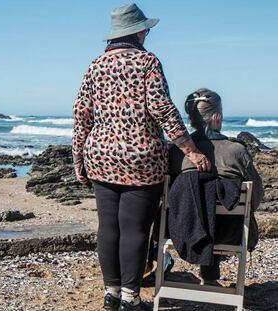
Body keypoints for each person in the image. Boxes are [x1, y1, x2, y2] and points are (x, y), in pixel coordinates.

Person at [72, 4, 211, 310]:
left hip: (100, 155)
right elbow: (162, 108)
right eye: (145, 29)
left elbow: (82, 114)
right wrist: (191, 149)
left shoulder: (95, 65)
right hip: (141, 157)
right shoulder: (147, 61)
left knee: (108, 226)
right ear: (137, 31)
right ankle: (130, 298)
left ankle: (111, 293)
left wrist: (78, 160)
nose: (147, 33)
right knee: (135, 228)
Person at [169, 88, 263, 285]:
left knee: (199, 203)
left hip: (181, 230)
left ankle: (156, 267)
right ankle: (210, 277)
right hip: (230, 232)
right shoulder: (237, 151)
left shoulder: (177, 152)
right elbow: (256, 196)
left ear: (191, 118)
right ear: (218, 116)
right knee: (220, 208)